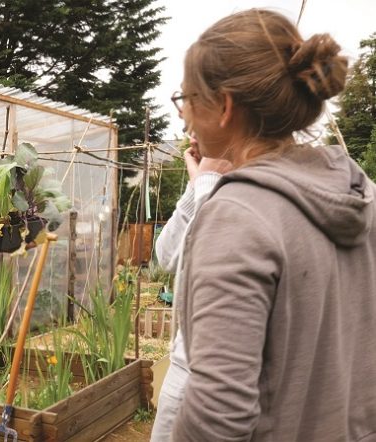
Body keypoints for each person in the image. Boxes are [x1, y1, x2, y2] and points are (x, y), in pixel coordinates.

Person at [161, 8, 376, 441]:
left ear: (223, 107)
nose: (183, 117)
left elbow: (217, 416)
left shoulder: (238, 215)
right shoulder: (358, 193)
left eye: (185, 99)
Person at [150, 138, 231, 441]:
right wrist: (196, 184)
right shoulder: (209, 186)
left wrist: (207, 181)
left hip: (212, 382)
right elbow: (168, 255)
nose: (191, 135)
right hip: (184, 368)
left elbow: (213, 261)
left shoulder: (252, 190)